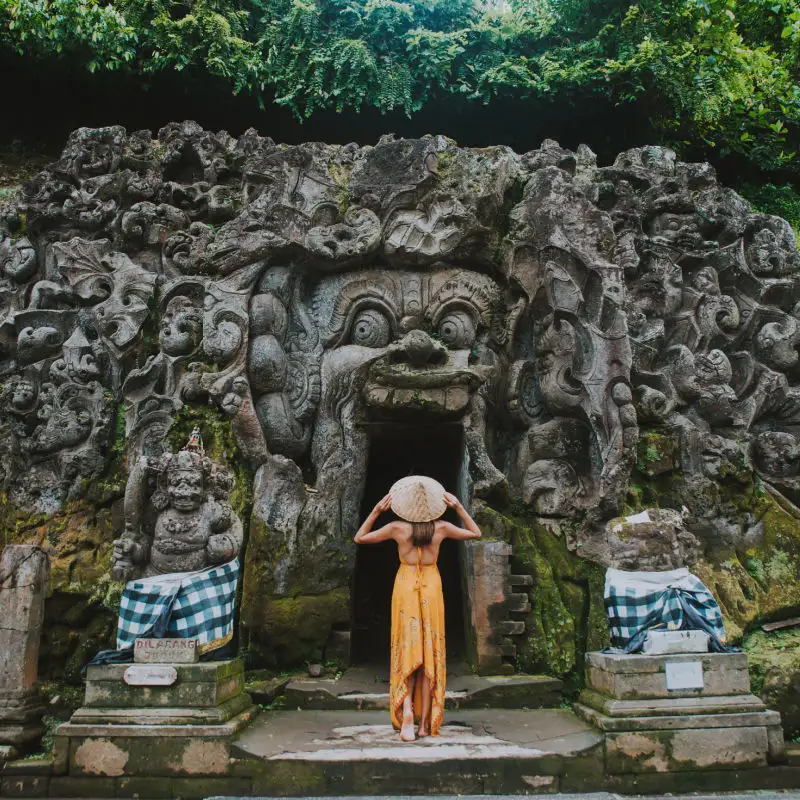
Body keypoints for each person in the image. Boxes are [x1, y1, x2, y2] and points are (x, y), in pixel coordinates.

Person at [353, 475, 482, 742]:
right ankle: (424, 725)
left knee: (409, 648)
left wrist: (376, 511)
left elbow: (360, 537)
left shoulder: (397, 528)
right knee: (429, 652)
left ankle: (408, 712)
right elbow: (475, 533)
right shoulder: (442, 527)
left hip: (406, 587)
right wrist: (458, 507)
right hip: (431, 586)